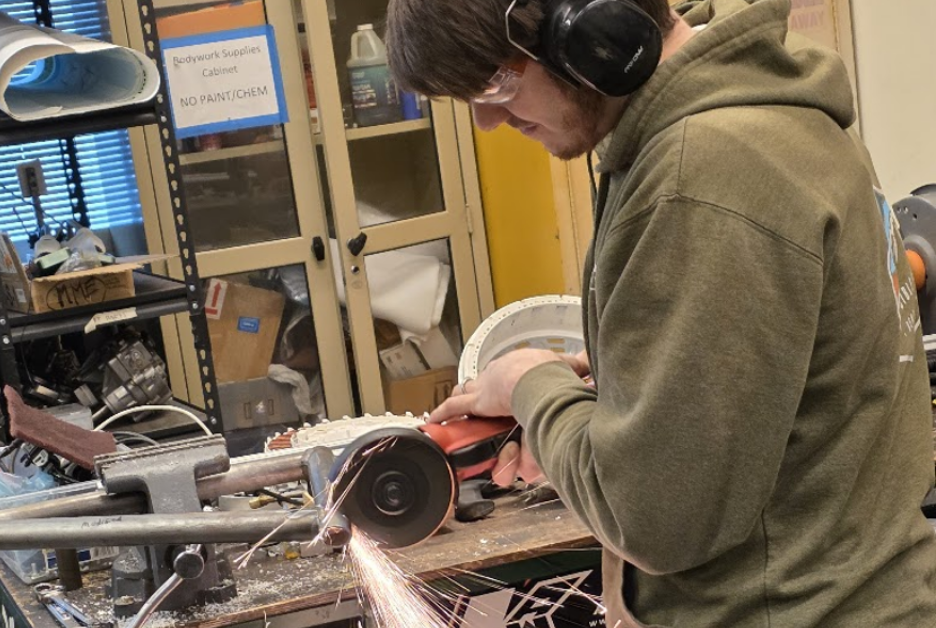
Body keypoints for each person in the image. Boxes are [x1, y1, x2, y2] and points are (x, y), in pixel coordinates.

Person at [386, 0, 936, 626]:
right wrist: (637, 377)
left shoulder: (703, 173)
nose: (486, 120)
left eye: (494, 82)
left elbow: (655, 522)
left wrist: (529, 386)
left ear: (588, 32)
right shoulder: (774, 109)